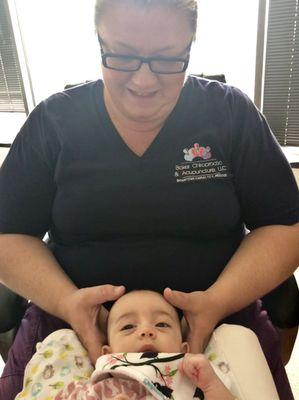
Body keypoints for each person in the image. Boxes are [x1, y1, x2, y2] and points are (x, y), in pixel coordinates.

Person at [0, 0, 298, 399]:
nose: (143, 81)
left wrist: (216, 302)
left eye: (167, 59)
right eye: (121, 56)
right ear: (99, 40)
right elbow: (7, 234)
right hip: (75, 324)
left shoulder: (231, 115)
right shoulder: (54, 124)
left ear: (190, 44)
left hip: (214, 318)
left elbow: (285, 226)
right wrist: (67, 302)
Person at [16, 290, 278, 400]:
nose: (146, 332)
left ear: (185, 348)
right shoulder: (95, 386)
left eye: (162, 325)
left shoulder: (198, 382)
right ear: (106, 353)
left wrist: (212, 386)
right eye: (128, 327)